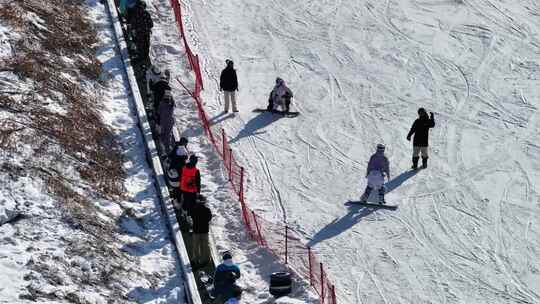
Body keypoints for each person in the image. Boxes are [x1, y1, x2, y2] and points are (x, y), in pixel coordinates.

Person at [190, 194, 212, 268]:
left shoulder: (193, 209)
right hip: (205, 230)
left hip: (196, 230)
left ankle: (195, 259)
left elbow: (192, 216)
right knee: (205, 245)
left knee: (196, 245)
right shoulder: (207, 210)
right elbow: (209, 218)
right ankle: (206, 259)